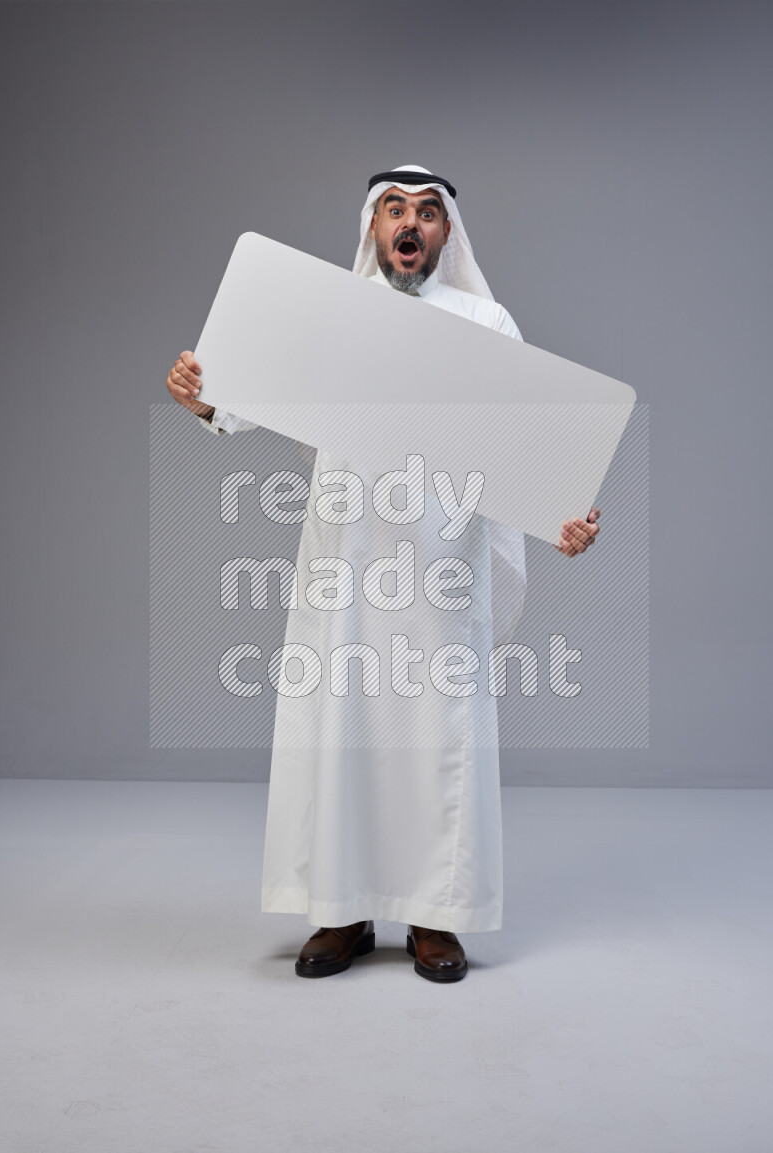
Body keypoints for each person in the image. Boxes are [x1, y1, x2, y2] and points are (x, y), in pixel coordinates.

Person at [165, 164, 600, 983]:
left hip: (441, 569)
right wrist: (202, 399)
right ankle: (341, 911)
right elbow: (247, 394)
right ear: (373, 227)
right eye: (395, 209)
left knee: (439, 737)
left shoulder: (484, 319)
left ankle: (438, 917)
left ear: (446, 235)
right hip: (348, 559)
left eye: (429, 213)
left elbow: (527, 443)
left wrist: (561, 518)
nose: (411, 224)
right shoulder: (334, 315)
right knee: (342, 729)